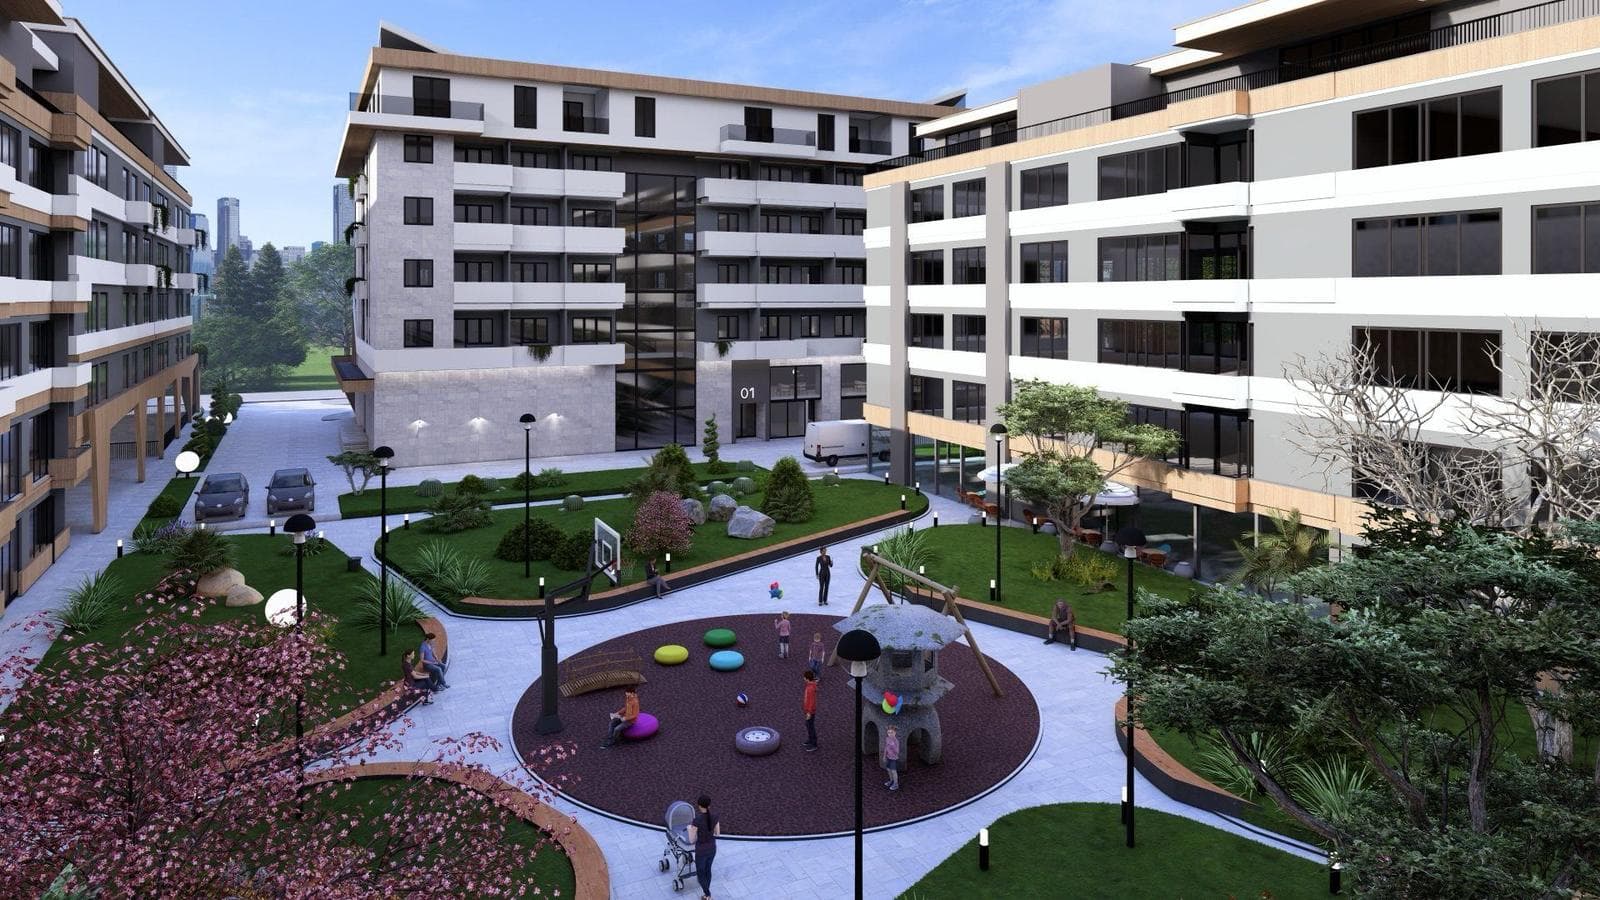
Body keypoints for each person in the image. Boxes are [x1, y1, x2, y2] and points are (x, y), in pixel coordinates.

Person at [685, 794, 719, 900]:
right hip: (712, 848)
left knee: (700, 873)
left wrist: (689, 828)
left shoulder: (697, 820)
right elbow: (717, 833)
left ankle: (707, 895)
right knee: (708, 870)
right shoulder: (715, 817)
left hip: (701, 850)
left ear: (699, 806)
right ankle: (706, 893)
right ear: (709, 805)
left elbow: (692, 840)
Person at [802, 669, 819, 751]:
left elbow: (811, 701)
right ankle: (810, 739)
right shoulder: (810, 686)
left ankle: (814, 744)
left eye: (804, 677)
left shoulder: (810, 688)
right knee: (808, 725)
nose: (803, 679)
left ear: (807, 678)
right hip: (809, 710)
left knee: (810, 726)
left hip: (810, 711)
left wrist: (809, 712)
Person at [883, 725, 901, 791]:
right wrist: (884, 756)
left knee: (893, 771)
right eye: (888, 732)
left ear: (895, 733)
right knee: (888, 769)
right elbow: (886, 747)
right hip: (888, 757)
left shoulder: (896, 741)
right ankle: (891, 781)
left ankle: (896, 784)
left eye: (891, 732)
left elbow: (897, 752)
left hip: (893, 758)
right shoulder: (887, 739)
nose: (890, 734)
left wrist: (892, 746)